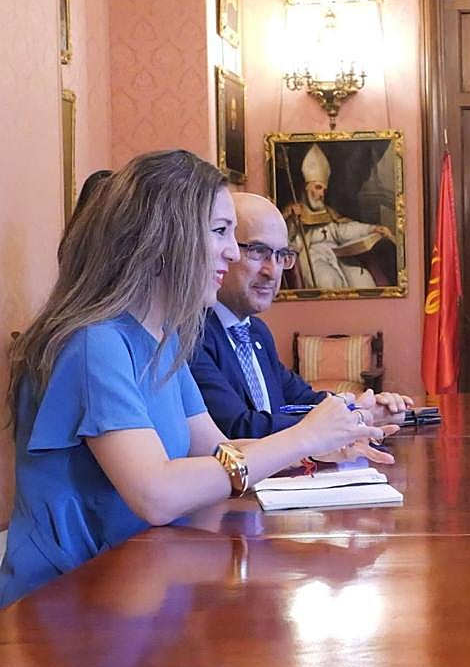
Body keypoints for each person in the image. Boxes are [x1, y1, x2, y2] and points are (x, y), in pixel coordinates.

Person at [1, 150, 394, 607]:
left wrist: (316, 446)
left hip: (142, 584)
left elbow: (216, 451)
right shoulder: (97, 343)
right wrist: (300, 438)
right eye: (220, 231)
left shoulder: (166, 339)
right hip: (70, 606)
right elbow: (157, 493)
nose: (232, 250)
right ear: (164, 237)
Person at [190, 192, 414, 440]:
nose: (272, 271)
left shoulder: (256, 331)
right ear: (226, 249)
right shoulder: (191, 335)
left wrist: (358, 407)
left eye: (281, 256)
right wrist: (351, 419)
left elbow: (302, 399)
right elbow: (238, 428)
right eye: (258, 251)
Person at [281, 143, 395, 290]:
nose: (322, 194)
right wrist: (291, 219)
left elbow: (343, 230)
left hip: (337, 256)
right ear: (306, 188)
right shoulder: (294, 213)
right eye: (318, 187)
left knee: (362, 278)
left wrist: (372, 228)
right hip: (313, 259)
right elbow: (286, 240)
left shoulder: (328, 213)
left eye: (323, 189)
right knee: (327, 280)